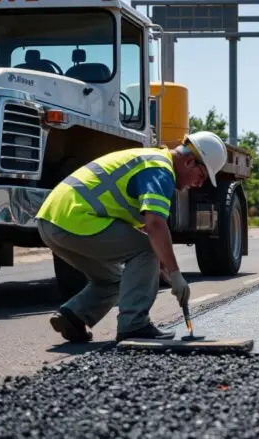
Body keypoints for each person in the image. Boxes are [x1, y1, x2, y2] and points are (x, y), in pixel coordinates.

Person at [36, 131, 228, 343]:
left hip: (51, 221)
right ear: (189, 162)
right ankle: (134, 324)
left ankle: (74, 317)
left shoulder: (151, 160)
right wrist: (175, 273)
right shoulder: (161, 170)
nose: (199, 184)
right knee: (146, 249)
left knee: (112, 280)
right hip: (74, 220)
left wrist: (161, 262)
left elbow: (143, 225)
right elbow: (155, 225)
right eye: (201, 176)